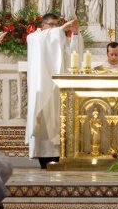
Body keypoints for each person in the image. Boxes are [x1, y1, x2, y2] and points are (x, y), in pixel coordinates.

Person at [25, 13, 83, 164]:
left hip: (59, 88)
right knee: (44, 121)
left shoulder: (59, 39)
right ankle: (43, 157)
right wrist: (60, 29)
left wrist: (75, 34)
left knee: (59, 121)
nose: (54, 28)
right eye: (51, 25)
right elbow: (47, 39)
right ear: (42, 26)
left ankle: (59, 155)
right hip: (42, 88)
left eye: (56, 25)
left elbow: (73, 56)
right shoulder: (34, 38)